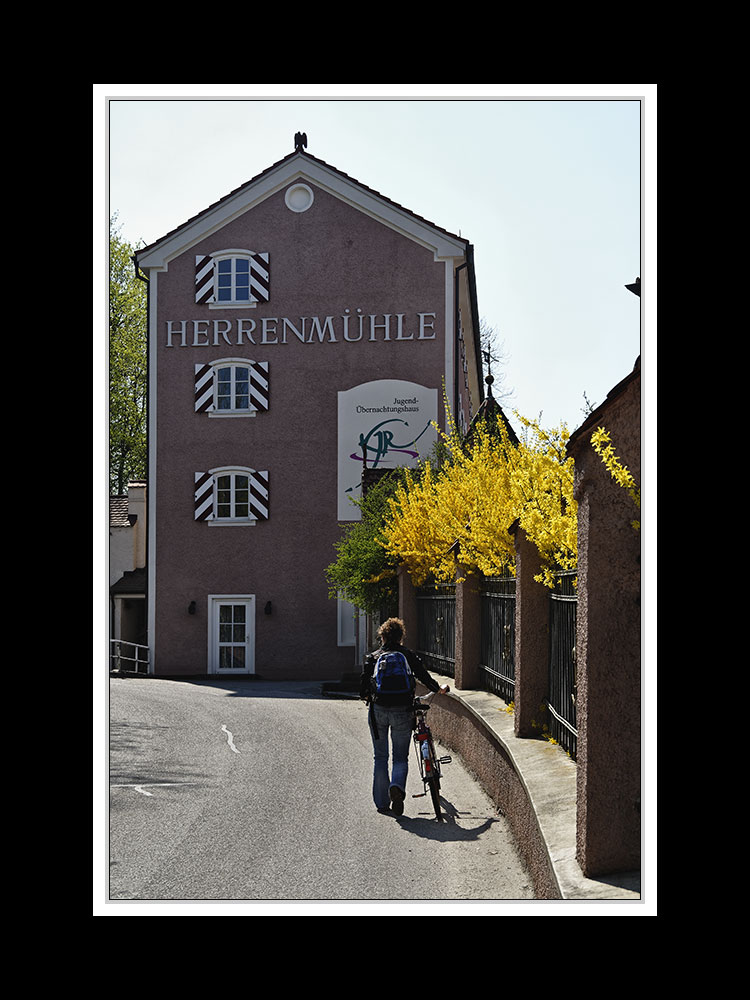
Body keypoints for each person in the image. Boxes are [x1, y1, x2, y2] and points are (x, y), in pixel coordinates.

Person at [360, 617, 449, 816]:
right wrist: (438, 688)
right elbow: (424, 677)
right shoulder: (408, 655)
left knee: (380, 757)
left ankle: (382, 803)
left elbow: (363, 688)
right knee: (400, 757)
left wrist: (368, 695)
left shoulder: (374, 657)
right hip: (403, 710)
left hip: (378, 711)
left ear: (382, 636)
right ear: (401, 637)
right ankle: (397, 787)